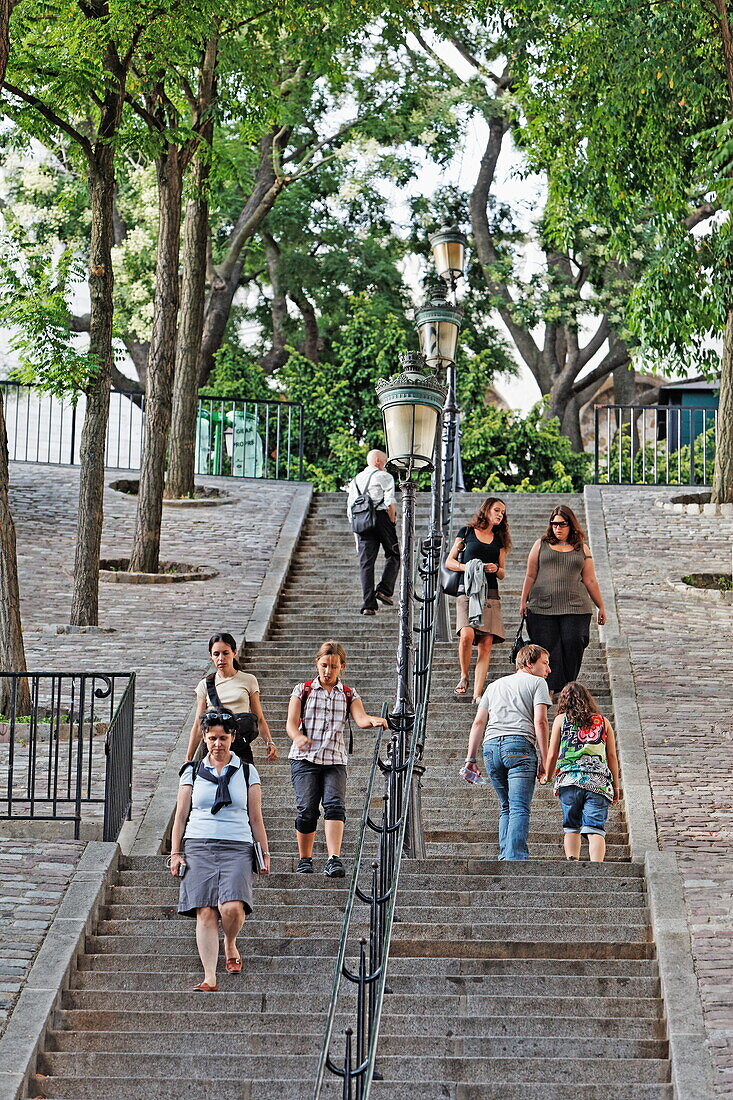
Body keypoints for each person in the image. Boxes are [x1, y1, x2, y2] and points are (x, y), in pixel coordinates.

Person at [170, 711, 270, 991]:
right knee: (205, 911)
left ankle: (230, 941)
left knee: (232, 908)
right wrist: (176, 852)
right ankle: (209, 977)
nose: (217, 744)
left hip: (237, 845)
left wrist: (264, 852)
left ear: (233, 738)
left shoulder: (248, 771)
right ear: (204, 737)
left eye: (223, 738)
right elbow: (181, 815)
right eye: (212, 738)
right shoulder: (191, 771)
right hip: (198, 844)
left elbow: (256, 817)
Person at [287, 639, 388, 877]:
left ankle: (334, 859)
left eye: (333, 666)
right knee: (307, 809)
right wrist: (298, 737)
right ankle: (305, 859)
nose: (328, 671)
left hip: (334, 760)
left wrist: (373, 720)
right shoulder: (303, 690)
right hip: (304, 759)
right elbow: (291, 724)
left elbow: (360, 719)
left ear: (342, 666)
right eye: (324, 665)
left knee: (335, 806)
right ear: (317, 664)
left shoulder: (349, 694)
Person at [463, 644, 551, 861]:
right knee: (519, 807)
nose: (548, 670)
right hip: (520, 745)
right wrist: (546, 758)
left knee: (506, 807)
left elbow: (478, 723)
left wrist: (470, 759)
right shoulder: (538, 682)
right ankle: (515, 858)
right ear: (529, 663)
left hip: (491, 748)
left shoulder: (493, 686)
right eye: (545, 664)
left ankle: (506, 854)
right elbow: (540, 721)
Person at [519, 505, 606, 696]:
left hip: (576, 607)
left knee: (574, 641)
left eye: (562, 524)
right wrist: (523, 600)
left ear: (571, 524)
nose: (557, 528)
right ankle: (549, 689)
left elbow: (590, 579)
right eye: (554, 524)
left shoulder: (581, 547)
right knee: (548, 648)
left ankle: (568, 686)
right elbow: (530, 575)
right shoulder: (540, 544)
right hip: (542, 607)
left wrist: (601, 606)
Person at [542, 681, 621, 863]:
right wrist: (616, 786)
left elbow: (553, 752)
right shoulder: (603, 722)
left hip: (569, 781)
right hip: (598, 783)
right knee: (595, 828)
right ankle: (597, 867)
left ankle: (573, 862)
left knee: (571, 827)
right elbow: (611, 756)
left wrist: (548, 775)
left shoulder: (561, 720)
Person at [445, 497, 511, 704]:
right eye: (497, 510)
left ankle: (477, 692)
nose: (500, 514)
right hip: (467, 591)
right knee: (466, 634)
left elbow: (502, 572)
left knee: (486, 643)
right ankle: (464, 675)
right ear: (486, 510)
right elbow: (450, 561)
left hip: (490, 592)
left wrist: (495, 569)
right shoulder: (466, 532)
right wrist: (470, 567)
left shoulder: (500, 540)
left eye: (502, 512)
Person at [185, 632, 277, 764]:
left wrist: (269, 742)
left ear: (234, 652)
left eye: (225, 653)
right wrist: (188, 758)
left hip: (239, 744)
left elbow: (259, 718)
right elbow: (198, 725)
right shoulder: (205, 684)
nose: (221, 658)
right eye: (216, 654)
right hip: (213, 748)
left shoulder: (248, 680)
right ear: (211, 656)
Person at [346, 449, 400, 616]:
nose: (386, 466)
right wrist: (392, 521)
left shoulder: (355, 480)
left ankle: (368, 605)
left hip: (362, 521)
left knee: (366, 564)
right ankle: (384, 590)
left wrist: (357, 534)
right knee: (394, 553)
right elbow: (390, 502)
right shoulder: (384, 476)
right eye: (384, 462)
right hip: (381, 517)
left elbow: (350, 508)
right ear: (377, 461)